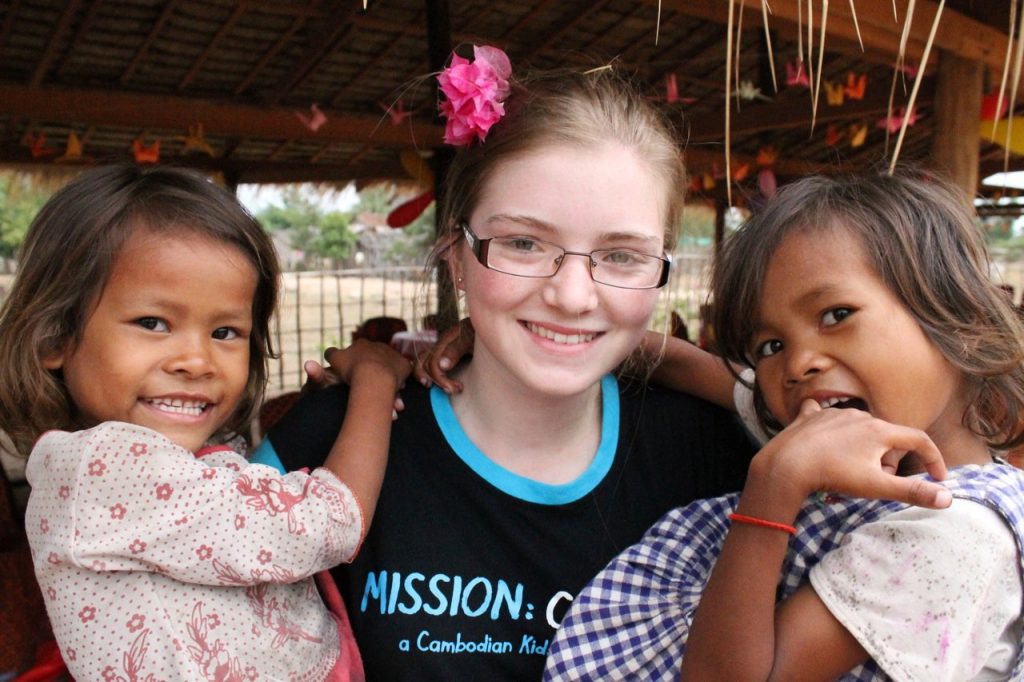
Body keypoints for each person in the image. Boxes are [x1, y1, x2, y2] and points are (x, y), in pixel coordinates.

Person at [251, 47, 758, 679]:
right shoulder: (331, 438)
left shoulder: (718, 456)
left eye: (623, 256)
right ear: (458, 257)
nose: (573, 296)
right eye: (522, 243)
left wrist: (654, 350)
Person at [544, 170, 1024, 681]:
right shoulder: (821, 422)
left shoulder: (948, 536)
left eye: (837, 314)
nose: (796, 365)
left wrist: (771, 493)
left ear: (955, 321)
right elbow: (678, 362)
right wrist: (522, 343)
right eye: (771, 345)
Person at [0, 164, 412, 681]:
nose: (196, 361)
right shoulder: (103, 469)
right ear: (55, 337)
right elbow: (325, 527)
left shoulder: (161, 463)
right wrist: (374, 382)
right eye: (153, 323)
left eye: (224, 331)